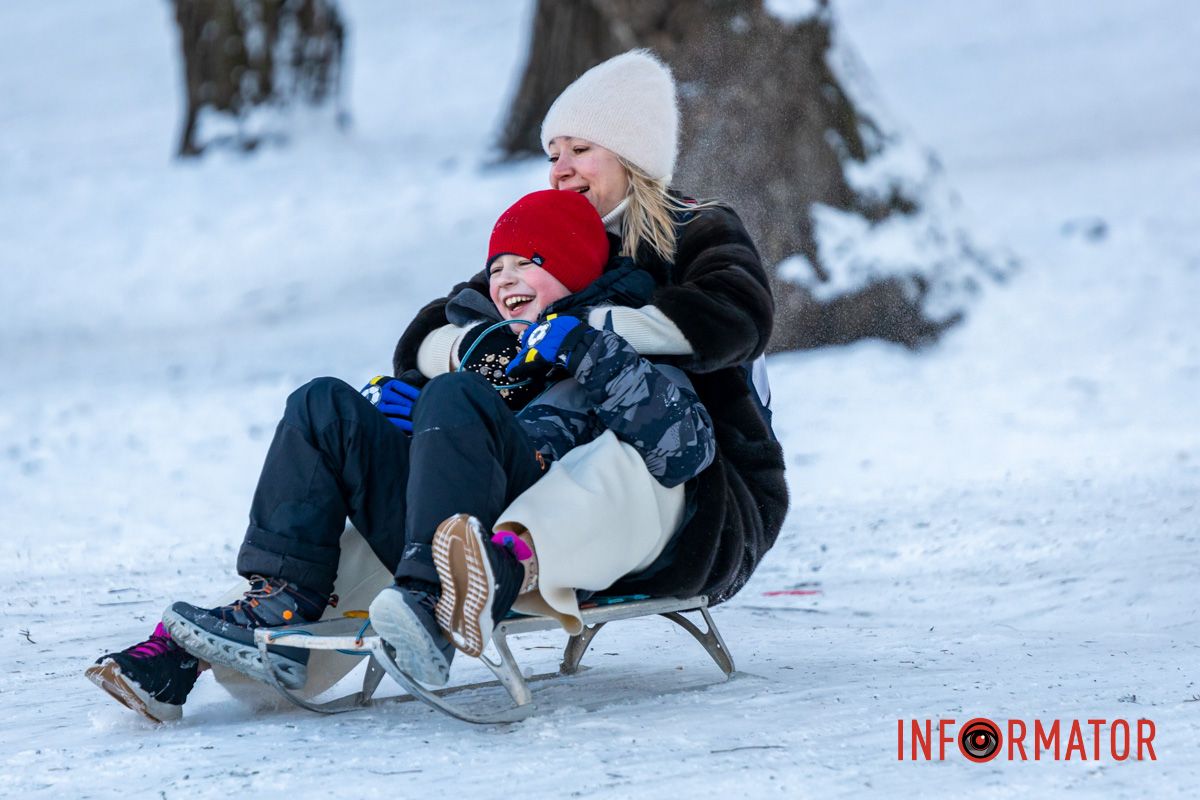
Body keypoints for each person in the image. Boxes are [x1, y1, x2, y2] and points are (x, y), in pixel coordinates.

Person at [87, 189, 716, 722]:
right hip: (433, 527)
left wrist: (586, 349)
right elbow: (436, 419)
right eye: (495, 268)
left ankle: (429, 607)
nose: (504, 279)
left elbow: (683, 447)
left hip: (528, 528)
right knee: (322, 404)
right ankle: (283, 598)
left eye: (528, 261)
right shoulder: (484, 356)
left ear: (575, 270)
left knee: (453, 395)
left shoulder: (616, 348)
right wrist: (401, 408)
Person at [394, 49, 788, 617]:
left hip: (704, 492)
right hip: (553, 457)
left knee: (614, 457)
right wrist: (467, 349)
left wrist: (584, 330)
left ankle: (500, 572)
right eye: (554, 154)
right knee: (411, 448)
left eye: (581, 150)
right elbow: (438, 324)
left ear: (633, 155)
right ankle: (287, 609)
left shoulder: (696, 227)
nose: (561, 168)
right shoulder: (548, 241)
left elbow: (736, 318)